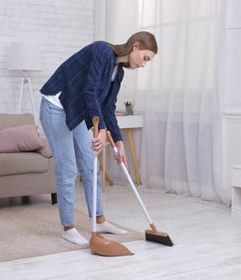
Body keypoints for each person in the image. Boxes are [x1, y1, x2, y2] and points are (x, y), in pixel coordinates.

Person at [39, 31, 158, 245]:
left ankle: (100, 220)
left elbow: (108, 107)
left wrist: (119, 142)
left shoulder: (118, 73)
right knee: (68, 169)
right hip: (56, 106)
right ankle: (68, 227)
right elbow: (90, 91)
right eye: (145, 58)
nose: (144, 64)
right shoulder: (102, 51)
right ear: (136, 46)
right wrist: (100, 129)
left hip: (74, 110)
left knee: (90, 166)